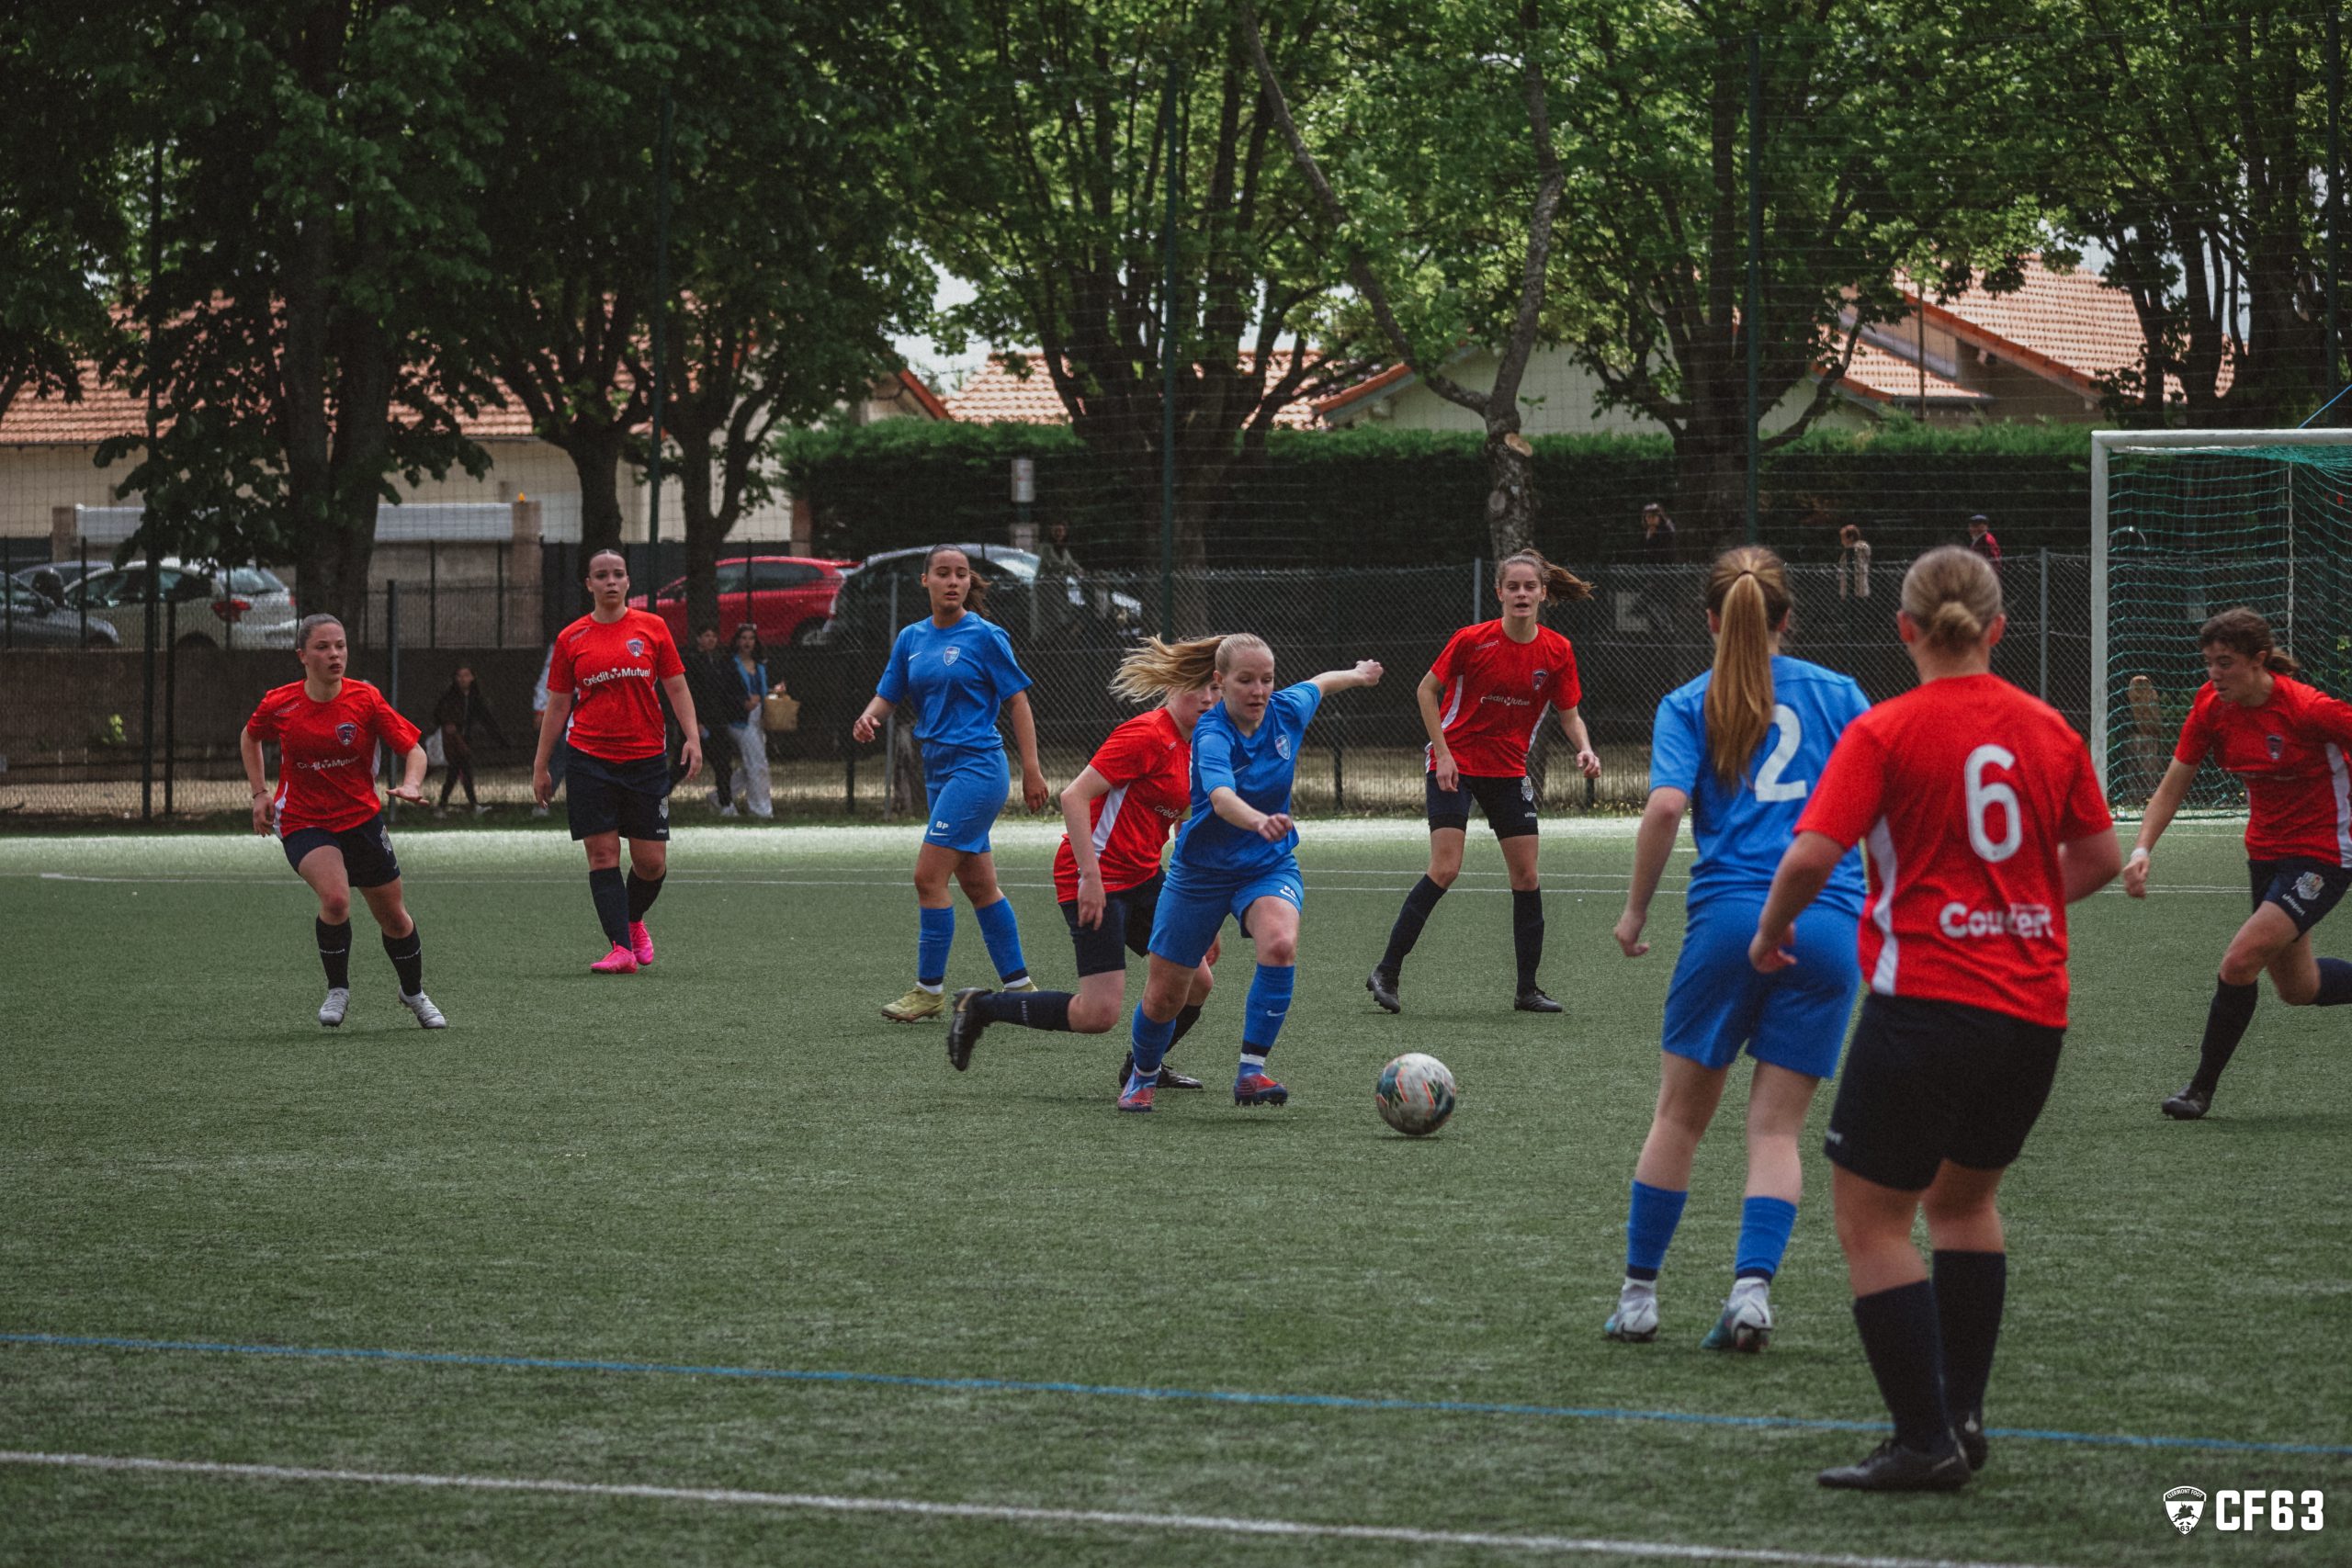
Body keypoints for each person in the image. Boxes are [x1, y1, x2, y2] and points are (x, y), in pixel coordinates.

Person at [1747, 546, 2117, 1491]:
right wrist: (2018, 908)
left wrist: (1771, 934)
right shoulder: (2047, 729)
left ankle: (1924, 1441)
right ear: (1996, 629)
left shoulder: (1885, 732)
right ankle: (1962, 1418)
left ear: (1904, 629)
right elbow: (2100, 857)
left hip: (1925, 1009)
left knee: (1872, 1221)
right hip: (2031, 1012)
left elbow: (1807, 857)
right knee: (1964, 1204)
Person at [1604, 547, 1869, 1354]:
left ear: (1711, 619)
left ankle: (1640, 1299)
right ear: (1788, 618)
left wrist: (1635, 908)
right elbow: (1883, 806)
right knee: (1776, 1132)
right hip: (1828, 924)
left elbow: (1663, 810)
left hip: (1728, 920)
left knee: (1679, 1117)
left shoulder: (1689, 699)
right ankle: (1751, 1295)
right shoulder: (1841, 693)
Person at [1118, 634, 1384, 1113]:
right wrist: (1258, 819)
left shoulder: (1286, 710)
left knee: (1280, 943)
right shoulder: (1211, 732)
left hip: (1267, 864)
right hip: (1200, 873)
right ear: (1219, 683)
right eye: (1245, 680)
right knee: (1164, 996)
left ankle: (1251, 1072)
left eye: (1266, 679)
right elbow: (1220, 798)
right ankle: (1142, 1074)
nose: (1259, 690)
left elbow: (1320, 684)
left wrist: (1360, 675)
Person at [944, 648, 1223, 1084]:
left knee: (1197, 982)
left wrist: (1198, 910)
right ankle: (980, 1006)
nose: (1207, 697)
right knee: (1098, 1013)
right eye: (1196, 685)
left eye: (1215, 688)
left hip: (1145, 877)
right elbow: (1074, 796)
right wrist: (1090, 877)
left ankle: (1143, 1065)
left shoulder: (1200, 745)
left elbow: (1183, 828)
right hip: (1094, 875)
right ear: (1170, 686)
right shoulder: (1146, 734)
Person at [2122, 607, 2352, 1120]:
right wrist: (2141, 849)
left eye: (2225, 662)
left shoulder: (2311, 710)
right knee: (2299, 988)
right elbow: (2174, 782)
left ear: (2259, 660)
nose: (2214, 674)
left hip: (2325, 853)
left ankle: (2199, 1090)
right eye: (2208, 662)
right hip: (2266, 851)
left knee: (2239, 960)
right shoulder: (2211, 706)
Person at [1368, 549, 1600, 1015]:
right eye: (1512, 586)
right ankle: (1386, 971)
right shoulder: (1472, 640)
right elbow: (1426, 690)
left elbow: (1568, 712)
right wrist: (1445, 754)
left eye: (1529, 587)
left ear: (1542, 593)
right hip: (1455, 764)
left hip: (1509, 770)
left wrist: (1585, 747)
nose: (1521, 594)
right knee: (1446, 867)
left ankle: (1527, 990)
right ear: (1498, 593)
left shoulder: (1557, 650)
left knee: (1527, 875)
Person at [852, 545, 1051, 1021]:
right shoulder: (911, 639)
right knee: (981, 886)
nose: (953, 581)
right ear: (926, 581)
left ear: (968, 583)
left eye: (961, 574)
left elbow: (1018, 702)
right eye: (943, 573)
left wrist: (1032, 770)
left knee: (927, 877)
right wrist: (869, 716)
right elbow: (889, 693)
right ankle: (1021, 986)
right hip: (938, 770)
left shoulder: (985, 636)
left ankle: (928, 990)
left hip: (978, 769)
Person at [240, 613, 446, 1030]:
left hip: (361, 820)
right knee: (335, 900)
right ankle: (338, 989)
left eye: (340, 646)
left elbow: (414, 750)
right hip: (304, 820)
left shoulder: (364, 699)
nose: (335, 654)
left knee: (395, 919)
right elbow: (251, 735)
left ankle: (413, 992)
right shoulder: (280, 703)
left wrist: (411, 784)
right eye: (323, 647)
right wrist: (260, 793)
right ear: (303, 656)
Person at [532, 548, 702, 974]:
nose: (610, 581)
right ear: (588, 584)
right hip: (589, 760)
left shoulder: (652, 628)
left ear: (628, 582)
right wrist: (542, 765)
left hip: (645, 761)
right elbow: (557, 706)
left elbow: (677, 688)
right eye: (601, 575)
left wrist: (693, 739)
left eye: (618, 574)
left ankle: (633, 920)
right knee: (603, 855)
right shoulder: (571, 638)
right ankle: (620, 949)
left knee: (651, 863)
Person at [721, 621, 784, 820]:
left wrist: (774, 691)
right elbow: (725, 693)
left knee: (752, 763)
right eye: (743, 638)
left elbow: (763, 691)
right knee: (758, 764)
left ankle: (719, 797)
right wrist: (743, 703)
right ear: (737, 641)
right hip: (740, 720)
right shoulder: (730, 665)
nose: (747, 642)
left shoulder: (760, 666)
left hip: (758, 718)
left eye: (751, 639)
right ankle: (761, 809)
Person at [681, 625, 741, 816]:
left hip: (716, 724)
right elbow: (690, 695)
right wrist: (695, 722)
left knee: (723, 764)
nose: (711, 640)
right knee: (680, 769)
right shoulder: (691, 662)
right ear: (698, 639)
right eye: (706, 635)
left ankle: (725, 804)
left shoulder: (715, 661)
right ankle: (656, 805)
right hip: (699, 725)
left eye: (714, 636)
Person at [431, 665, 507, 816]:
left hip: (464, 740)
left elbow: (486, 718)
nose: (463, 679)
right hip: (453, 741)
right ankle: (463, 806)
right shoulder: (450, 696)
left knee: (457, 773)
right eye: (459, 676)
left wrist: (499, 738)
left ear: (472, 677)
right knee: (459, 772)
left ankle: (447, 806)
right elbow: (438, 714)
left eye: (466, 675)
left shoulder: (474, 697)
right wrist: (447, 724)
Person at [529, 641, 570, 818]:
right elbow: (547, 683)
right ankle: (542, 804)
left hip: (580, 711)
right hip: (565, 713)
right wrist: (540, 710)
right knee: (560, 759)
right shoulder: (560, 649)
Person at [1838, 524, 1872, 601]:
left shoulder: (1860, 549)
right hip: (1847, 590)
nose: (1842, 542)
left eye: (1843, 538)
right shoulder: (1846, 553)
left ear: (1851, 538)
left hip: (1859, 590)